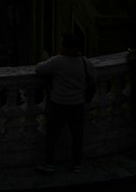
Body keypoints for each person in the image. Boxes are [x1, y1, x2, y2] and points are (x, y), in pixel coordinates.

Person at [35, 32, 95, 173]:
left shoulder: (57, 61)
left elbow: (39, 69)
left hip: (59, 104)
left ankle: (49, 164)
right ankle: (77, 164)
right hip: (78, 105)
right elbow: (93, 80)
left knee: (52, 135)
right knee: (77, 135)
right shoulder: (85, 62)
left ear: (67, 47)